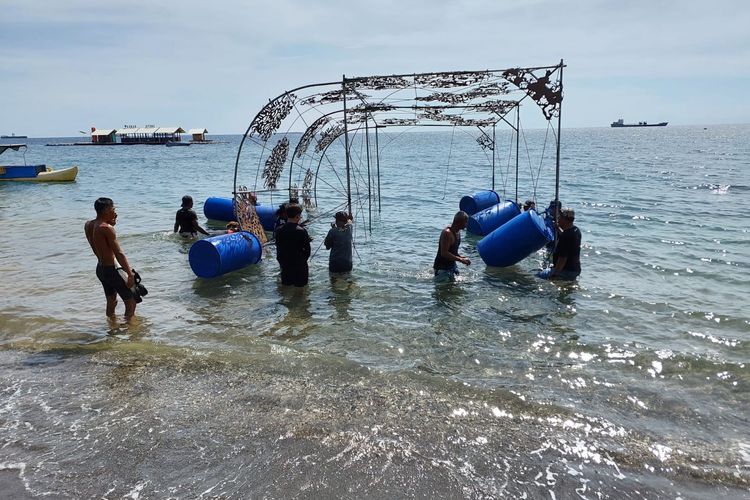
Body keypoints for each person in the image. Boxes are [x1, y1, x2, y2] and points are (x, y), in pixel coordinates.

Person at [84, 197, 137, 319]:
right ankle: (131, 333)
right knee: (131, 302)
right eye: (113, 209)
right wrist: (130, 274)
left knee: (112, 301)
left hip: (101, 269)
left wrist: (110, 222)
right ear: (106, 210)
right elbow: (119, 253)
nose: (115, 212)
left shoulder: (88, 225)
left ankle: (111, 328)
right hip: (112, 270)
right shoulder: (106, 228)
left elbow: (100, 245)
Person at [538, 207, 581, 280]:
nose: (557, 219)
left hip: (566, 270)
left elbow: (563, 259)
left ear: (565, 219)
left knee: (537, 276)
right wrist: (558, 229)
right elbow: (568, 240)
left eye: (560, 217)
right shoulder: (576, 230)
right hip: (575, 269)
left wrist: (555, 274)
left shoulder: (566, 236)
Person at [275, 204, 311, 287]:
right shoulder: (301, 231)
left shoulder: (279, 230)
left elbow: (278, 247)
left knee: (286, 289)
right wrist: (302, 260)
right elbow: (307, 250)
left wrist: (281, 261)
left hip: (285, 265)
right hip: (299, 265)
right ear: (297, 216)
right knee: (300, 292)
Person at [433, 211, 471, 281]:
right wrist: (461, 260)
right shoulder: (447, 233)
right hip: (442, 268)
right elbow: (444, 253)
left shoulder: (458, 232)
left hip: (452, 266)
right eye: (465, 222)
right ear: (459, 222)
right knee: (444, 290)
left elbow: (453, 252)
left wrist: (462, 258)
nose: (466, 224)